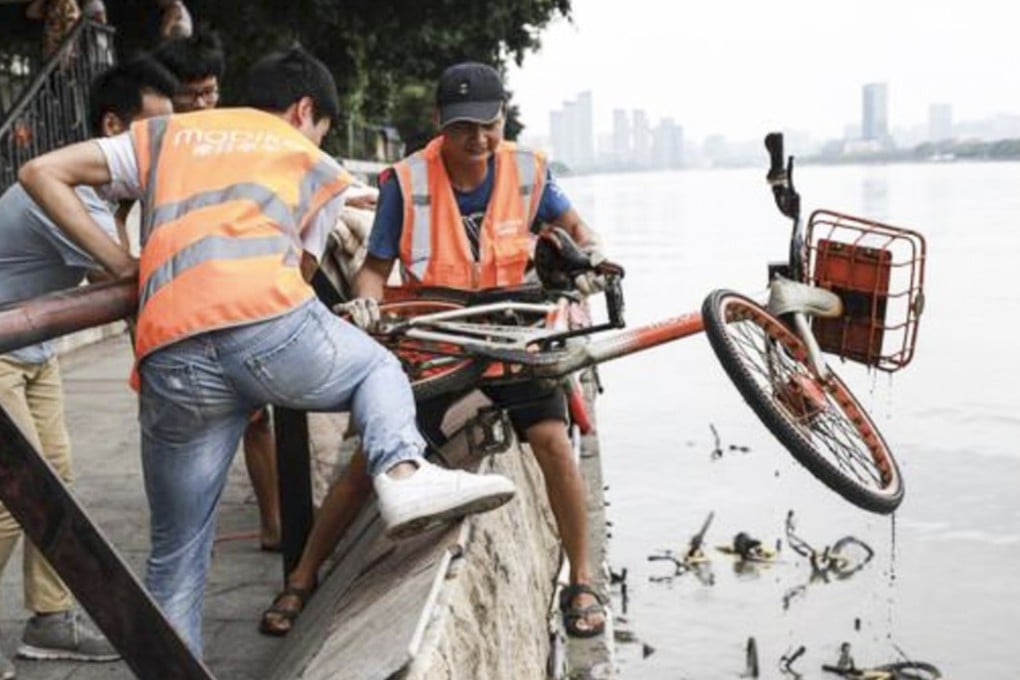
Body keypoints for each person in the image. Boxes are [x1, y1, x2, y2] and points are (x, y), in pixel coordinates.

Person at [17, 47, 517, 656]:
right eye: (322, 126)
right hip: (267, 327)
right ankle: (402, 473)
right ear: (305, 110)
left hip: (171, 348)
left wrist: (121, 264)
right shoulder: (312, 160)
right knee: (377, 368)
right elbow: (300, 274)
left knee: (176, 554)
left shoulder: (168, 134)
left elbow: (39, 173)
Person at [259, 62, 609, 640]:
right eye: (463, 127)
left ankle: (584, 579)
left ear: (503, 118)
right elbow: (375, 269)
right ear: (439, 121)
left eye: (488, 125)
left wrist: (590, 261)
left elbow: (580, 234)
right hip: (438, 341)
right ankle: (302, 578)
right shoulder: (406, 182)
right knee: (369, 462)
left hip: (513, 335)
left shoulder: (530, 171)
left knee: (552, 440)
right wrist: (366, 306)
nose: (477, 139)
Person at [0, 55, 177, 676]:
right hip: (2, 356)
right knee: (10, 501)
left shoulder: (100, 197)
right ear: (112, 128)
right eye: (153, 134)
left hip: (31, 353)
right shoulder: (69, 195)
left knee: (58, 483)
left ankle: (49, 619)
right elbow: (124, 279)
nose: (161, 153)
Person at [153, 28, 282, 552]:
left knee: (256, 419)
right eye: (191, 95)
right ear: (170, 96)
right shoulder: (155, 144)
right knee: (179, 429)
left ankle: (274, 525)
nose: (203, 104)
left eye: (210, 92)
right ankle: (183, 537)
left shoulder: (232, 140)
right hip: (173, 308)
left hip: (230, 297)